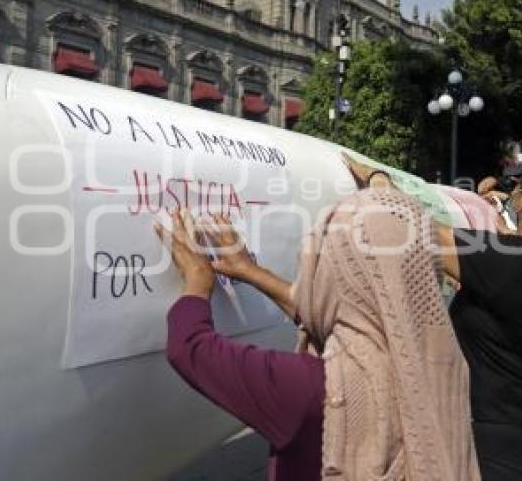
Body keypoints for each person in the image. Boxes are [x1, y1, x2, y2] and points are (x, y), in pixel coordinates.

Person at [159, 188, 481, 480]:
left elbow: (189, 348)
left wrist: (197, 279)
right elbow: (328, 317)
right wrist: (252, 272)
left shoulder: (312, 388)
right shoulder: (444, 365)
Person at [349, 147, 522, 480]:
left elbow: (418, 229)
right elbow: (515, 261)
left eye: (516, 188)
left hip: (499, 453)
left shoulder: (512, 262)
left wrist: (378, 179)